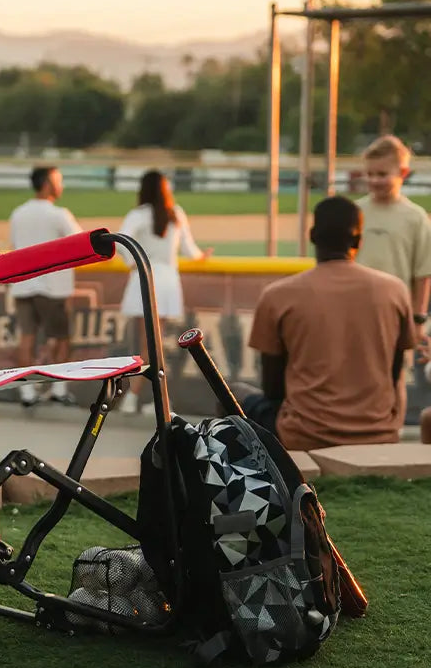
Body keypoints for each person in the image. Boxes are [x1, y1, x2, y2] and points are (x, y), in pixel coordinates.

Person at [236, 196, 414, 452]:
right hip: (379, 432)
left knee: (232, 392)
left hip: (303, 434)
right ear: (358, 240)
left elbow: (273, 390)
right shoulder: (395, 290)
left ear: (312, 236)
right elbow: (393, 374)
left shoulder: (278, 294)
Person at [117, 170, 209, 415]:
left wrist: (131, 263)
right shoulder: (174, 213)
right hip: (166, 281)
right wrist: (202, 257)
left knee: (146, 344)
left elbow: (120, 243)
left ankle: (144, 398)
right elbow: (190, 250)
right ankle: (152, 399)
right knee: (154, 344)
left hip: (143, 279)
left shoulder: (138, 215)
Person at [8, 166, 82, 408]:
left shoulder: (18, 213)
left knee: (27, 338)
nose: (61, 186)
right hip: (53, 286)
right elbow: (80, 242)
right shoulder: (59, 214)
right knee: (61, 338)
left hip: (23, 284)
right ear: (48, 184)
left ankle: (27, 392)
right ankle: (58, 389)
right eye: (58, 181)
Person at [355, 133, 431, 350]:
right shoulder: (356, 212)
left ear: (403, 173)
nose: (374, 180)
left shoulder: (415, 217)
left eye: (382, 174)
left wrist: (418, 319)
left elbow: (423, 273)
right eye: (369, 174)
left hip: (395, 311)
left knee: (392, 375)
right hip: (356, 308)